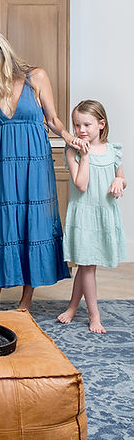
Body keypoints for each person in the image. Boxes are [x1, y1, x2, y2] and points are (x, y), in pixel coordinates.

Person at [0, 30, 85, 310]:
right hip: (3, 163)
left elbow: (52, 118)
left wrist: (67, 136)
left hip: (35, 160)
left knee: (33, 222)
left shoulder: (36, 76)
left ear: (1, 50)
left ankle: (26, 299)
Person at [58, 99, 127, 333]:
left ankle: (71, 307)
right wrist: (84, 157)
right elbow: (81, 185)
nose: (80, 131)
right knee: (87, 267)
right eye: (76, 125)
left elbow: (122, 177)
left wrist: (119, 181)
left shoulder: (113, 150)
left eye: (86, 125)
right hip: (84, 216)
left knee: (87, 265)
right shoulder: (72, 152)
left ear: (101, 124)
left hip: (104, 214)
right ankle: (94, 315)